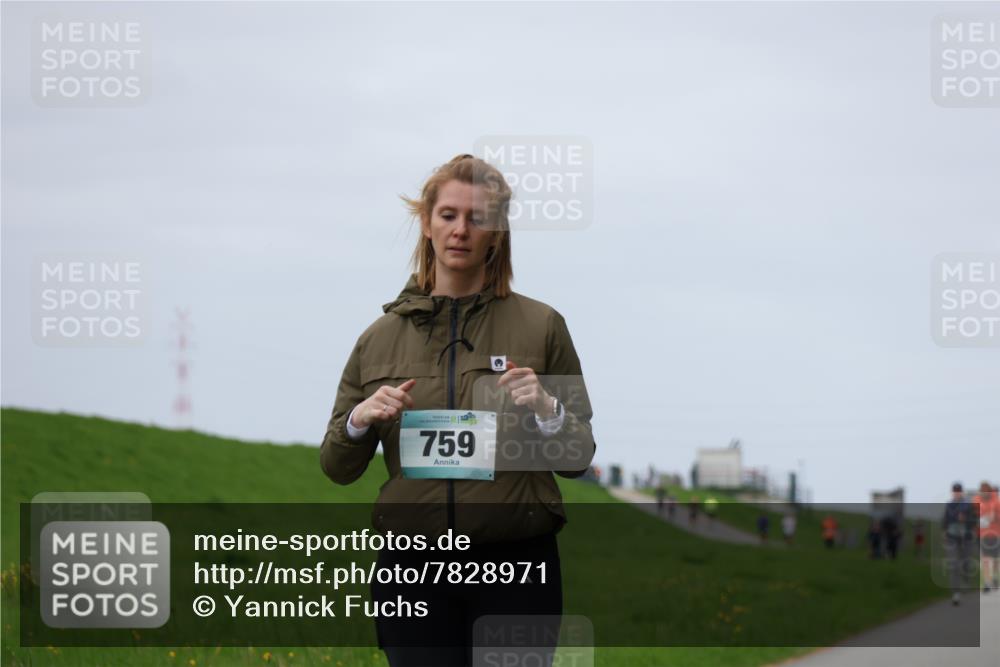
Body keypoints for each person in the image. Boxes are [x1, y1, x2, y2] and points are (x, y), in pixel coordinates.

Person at [319, 154, 596, 666]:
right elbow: (336, 467)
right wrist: (359, 422)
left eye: (479, 217)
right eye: (448, 215)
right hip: (412, 571)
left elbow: (578, 455)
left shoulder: (543, 327)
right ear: (426, 224)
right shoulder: (377, 340)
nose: (462, 230)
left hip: (516, 567)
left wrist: (547, 407)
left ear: (498, 231)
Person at [942, 482, 974, 606]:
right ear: (952, 492)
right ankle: (955, 593)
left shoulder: (968, 505)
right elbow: (945, 519)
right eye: (955, 491)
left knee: (965, 562)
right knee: (954, 564)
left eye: (958, 491)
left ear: (962, 492)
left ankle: (966, 580)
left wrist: (966, 519)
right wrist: (944, 532)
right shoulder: (949, 505)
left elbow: (974, 519)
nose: (957, 493)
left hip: (966, 537)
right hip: (952, 537)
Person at [973, 481, 1000, 592]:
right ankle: (987, 582)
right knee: (985, 558)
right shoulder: (976, 501)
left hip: (996, 534)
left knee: (994, 558)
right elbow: (972, 514)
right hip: (982, 534)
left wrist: (995, 517)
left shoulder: (996, 502)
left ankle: (993, 577)